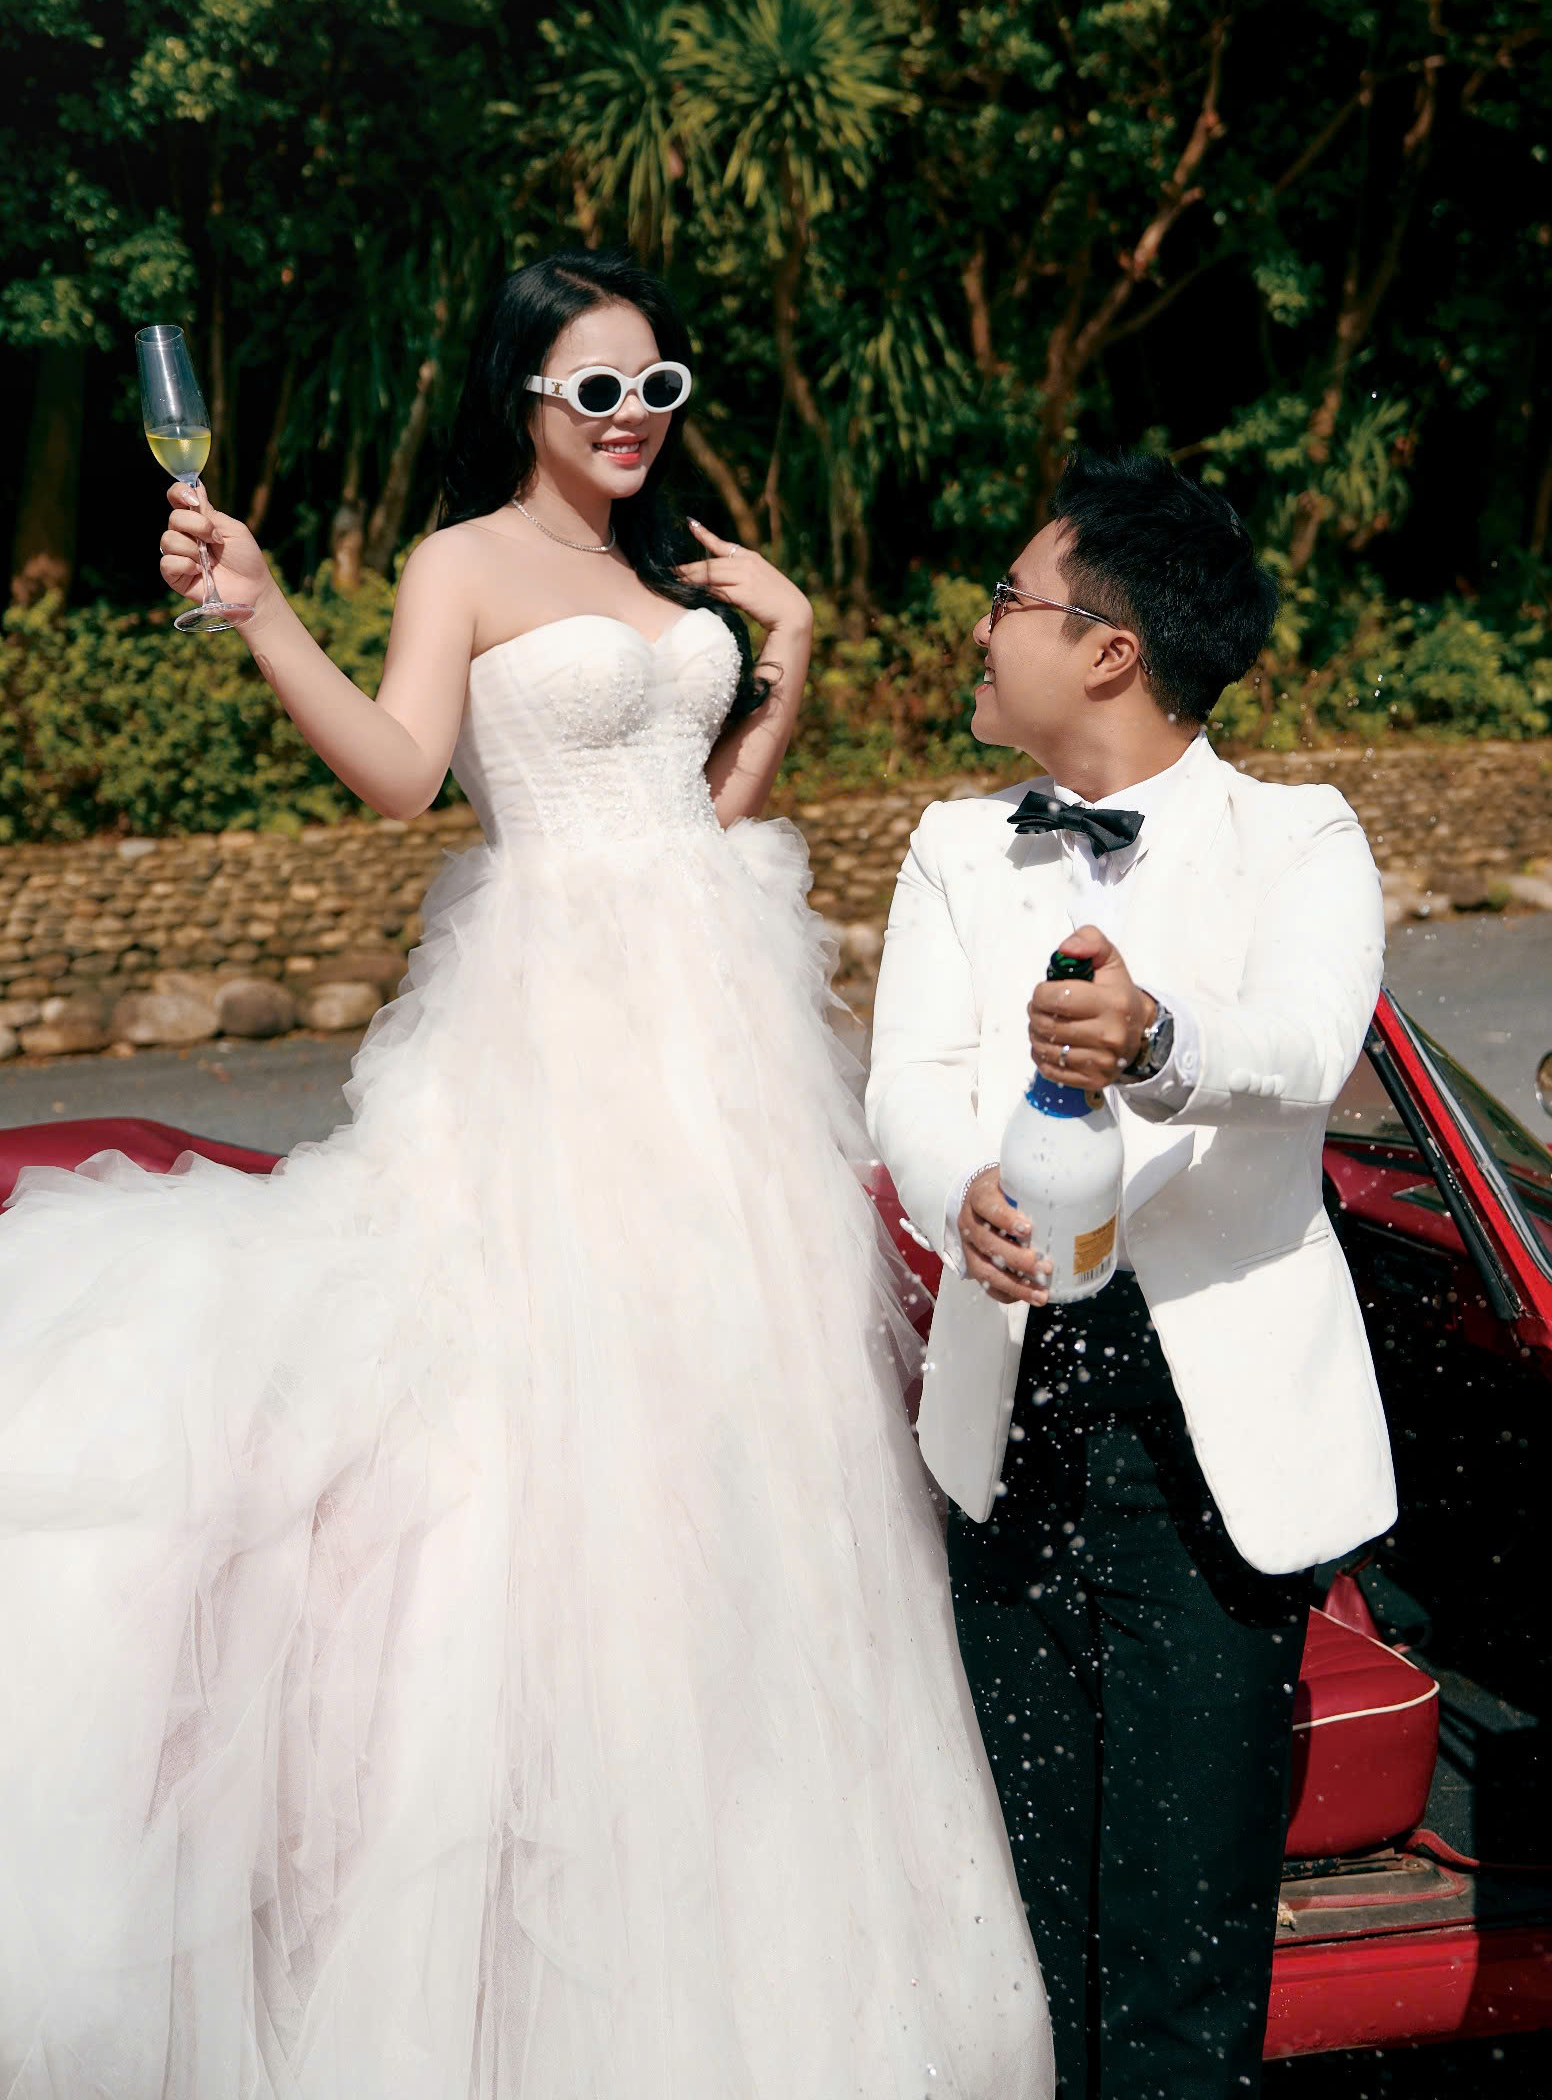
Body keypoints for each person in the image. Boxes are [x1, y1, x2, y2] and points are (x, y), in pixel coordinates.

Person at [0, 246, 1053, 2100]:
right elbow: (404, 775)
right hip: (552, 1034)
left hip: (719, 1044)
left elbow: (701, 822)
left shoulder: (668, 572)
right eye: (598, 391)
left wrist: (788, 656)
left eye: (660, 388)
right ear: (526, 401)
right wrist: (263, 609)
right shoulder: (462, 564)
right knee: (561, 1447)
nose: (635, 420)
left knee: (761, 1452)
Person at [866, 450, 1396, 2099]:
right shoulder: (957, 845)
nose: (981, 627)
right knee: (1021, 1955)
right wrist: (959, 1195)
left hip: (1208, 1457)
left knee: (1180, 1955)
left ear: (1109, 649)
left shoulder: (1298, 835)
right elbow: (908, 1080)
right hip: (1005, 1431)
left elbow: (1308, 1045)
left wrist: (1156, 1039)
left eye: (1009, 598)